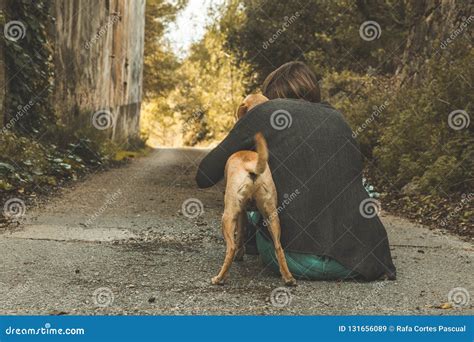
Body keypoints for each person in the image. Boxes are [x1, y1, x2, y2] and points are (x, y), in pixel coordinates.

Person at [196, 61, 396, 281]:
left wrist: (242, 132)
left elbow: (205, 175)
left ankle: (248, 245)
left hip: (297, 260)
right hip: (363, 261)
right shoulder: (338, 118)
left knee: (254, 190)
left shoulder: (265, 111)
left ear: (270, 94)